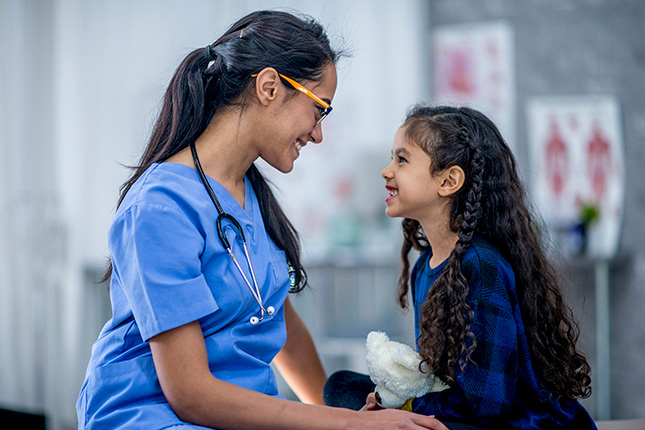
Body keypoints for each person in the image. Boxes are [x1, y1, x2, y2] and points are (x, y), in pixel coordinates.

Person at [76, 10, 449, 430]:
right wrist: (345, 425)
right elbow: (191, 394)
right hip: (154, 416)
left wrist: (347, 416)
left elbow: (277, 321)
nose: (318, 133)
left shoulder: (250, 195)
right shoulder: (161, 209)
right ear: (269, 86)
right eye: (318, 109)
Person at [324, 105, 598, 430]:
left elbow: (488, 405)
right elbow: (438, 377)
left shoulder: (480, 266)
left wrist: (408, 407)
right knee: (340, 387)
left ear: (449, 180)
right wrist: (391, 400)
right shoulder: (424, 266)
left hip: (513, 421)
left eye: (402, 160)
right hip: (461, 409)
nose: (386, 171)